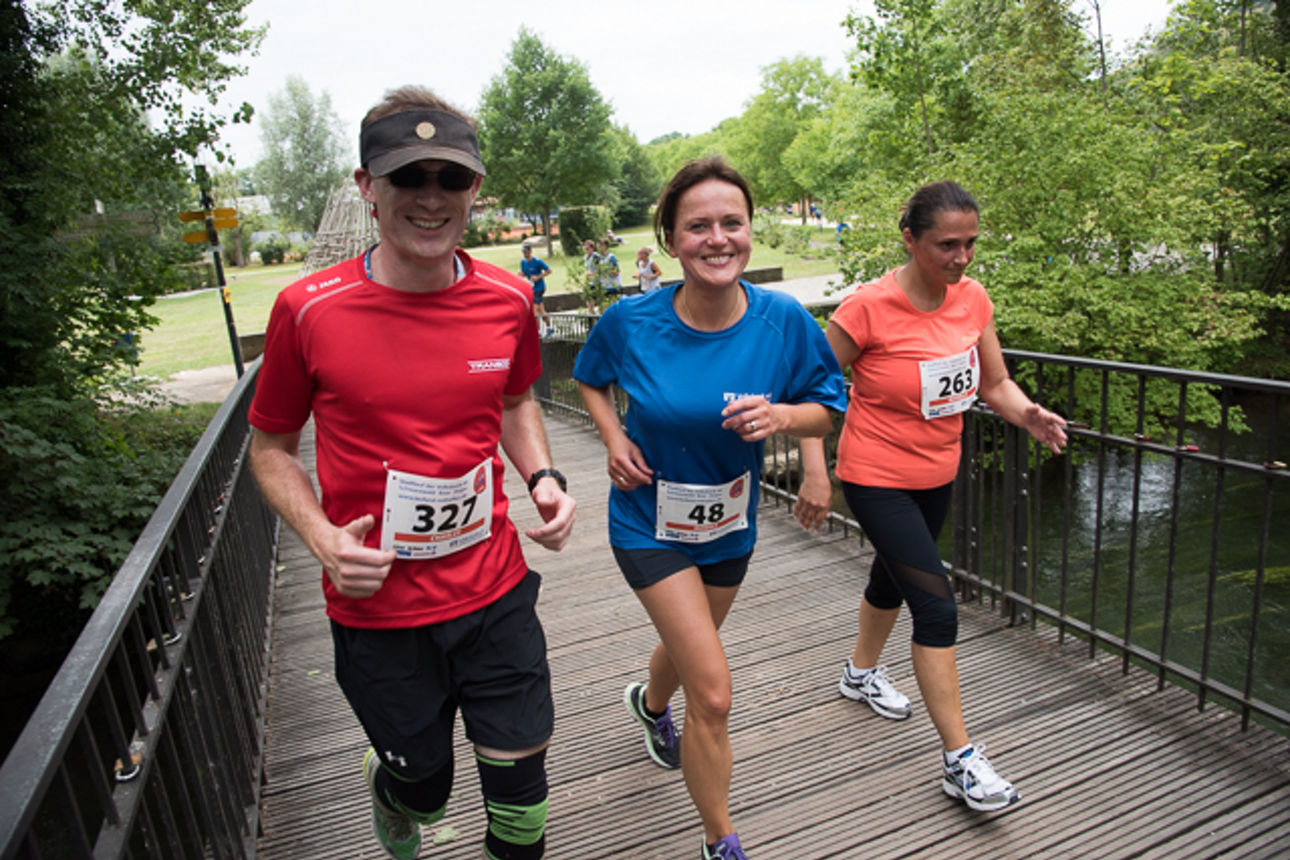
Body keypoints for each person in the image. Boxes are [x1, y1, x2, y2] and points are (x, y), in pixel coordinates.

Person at [247, 85, 577, 860]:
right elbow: (270, 449)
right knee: (425, 789)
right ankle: (393, 786)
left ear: (475, 189)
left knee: (522, 809)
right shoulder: (308, 309)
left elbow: (515, 401)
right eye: (408, 177)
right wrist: (323, 539)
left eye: (450, 178)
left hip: (494, 592)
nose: (432, 198)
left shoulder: (507, 298)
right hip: (379, 615)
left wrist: (543, 478)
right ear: (368, 186)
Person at [574, 157, 847, 860]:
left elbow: (826, 408)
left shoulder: (784, 322)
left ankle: (648, 704)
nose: (718, 238)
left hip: (729, 525)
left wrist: (784, 417)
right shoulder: (630, 321)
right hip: (647, 522)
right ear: (671, 241)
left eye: (733, 223)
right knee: (715, 691)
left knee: (688, 650)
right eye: (698, 226)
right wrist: (613, 439)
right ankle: (719, 839)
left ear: (751, 230)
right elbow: (591, 380)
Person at [794, 180, 1067, 814]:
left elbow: (995, 383)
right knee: (937, 608)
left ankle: (859, 673)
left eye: (971, 243)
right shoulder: (865, 309)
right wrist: (814, 469)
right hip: (874, 475)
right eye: (948, 244)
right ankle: (959, 760)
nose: (962, 257)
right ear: (910, 240)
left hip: (938, 471)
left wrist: (1028, 413)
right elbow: (808, 388)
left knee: (891, 578)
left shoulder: (973, 299)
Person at [520, 242, 554, 337]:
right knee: (541, 311)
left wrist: (538, 277)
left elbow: (549, 271)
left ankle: (537, 332)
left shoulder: (537, 261)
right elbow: (524, 272)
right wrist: (520, 275)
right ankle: (550, 328)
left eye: (527, 252)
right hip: (531, 288)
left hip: (539, 288)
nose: (525, 254)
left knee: (534, 312)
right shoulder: (523, 262)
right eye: (524, 252)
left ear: (530, 251)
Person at [582, 238, 602, 312]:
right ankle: (590, 313)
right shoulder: (585, 257)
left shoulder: (595, 256)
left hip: (595, 282)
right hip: (588, 282)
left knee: (593, 301)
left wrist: (592, 274)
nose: (586, 250)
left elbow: (599, 269)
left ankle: (593, 314)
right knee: (588, 301)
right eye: (585, 248)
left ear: (592, 248)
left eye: (588, 248)